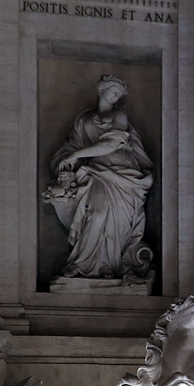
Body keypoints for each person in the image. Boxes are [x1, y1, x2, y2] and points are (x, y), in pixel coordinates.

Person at [44, 75, 154, 281]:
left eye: (119, 95)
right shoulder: (84, 120)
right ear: (102, 90)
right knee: (96, 213)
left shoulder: (119, 116)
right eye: (113, 92)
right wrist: (67, 159)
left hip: (122, 173)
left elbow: (111, 144)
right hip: (96, 172)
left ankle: (108, 266)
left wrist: (77, 155)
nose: (116, 97)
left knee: (117, 221)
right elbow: (72, 146)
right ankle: (82, 264)